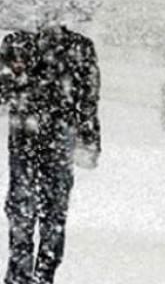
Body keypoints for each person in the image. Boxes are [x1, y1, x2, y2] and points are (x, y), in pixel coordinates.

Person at [1, 24, 101, 284]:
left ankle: (33, 272)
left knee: (42, 207)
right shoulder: (21, 43)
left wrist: (88, 136)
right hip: (38, 134)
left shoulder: (77, 46)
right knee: (38, 208)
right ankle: (30, 271)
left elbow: (88, 97)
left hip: (42, 133)